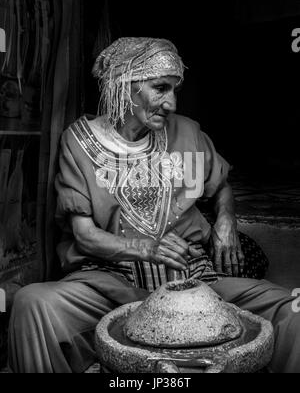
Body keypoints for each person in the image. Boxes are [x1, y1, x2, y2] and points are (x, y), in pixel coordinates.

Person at [8, 37, 299, 373]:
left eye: (175, 89)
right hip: (112, 283)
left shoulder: (187, 133)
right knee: (32, 304)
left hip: (196, 282)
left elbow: (221, 186)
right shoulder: (78, 142)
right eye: (160, 88)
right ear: (122, 86)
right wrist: (146, 247)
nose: (171, 103)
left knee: (292, 310)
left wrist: (226, 220)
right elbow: (85, 235)